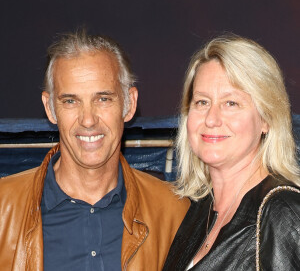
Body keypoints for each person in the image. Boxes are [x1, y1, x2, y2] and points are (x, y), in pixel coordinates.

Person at [0, 30, 190, 271]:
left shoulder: (173, 212)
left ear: (129, 103)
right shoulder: (3, 209)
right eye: (70, 101)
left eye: (103, 99)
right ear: (50, 108)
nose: (88, 120)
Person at [163, 34, 300, 270]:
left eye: (231, 103)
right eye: (202, 102)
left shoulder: (283, 213)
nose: (212, 119)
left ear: (266, 118)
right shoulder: (198, 210)